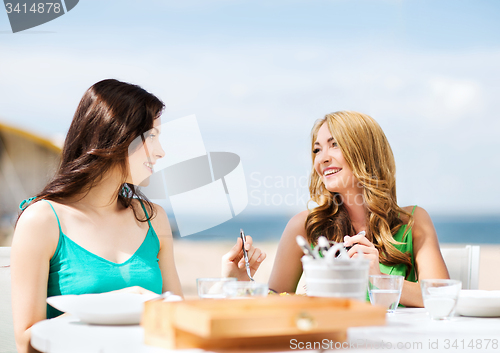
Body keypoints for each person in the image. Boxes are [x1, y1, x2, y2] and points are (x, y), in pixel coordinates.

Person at [10, 79, 265, 353]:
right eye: (151, 137)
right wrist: (110, 307)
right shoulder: (42, 220)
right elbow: (26, 341)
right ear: (118, 135)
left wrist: (228, 285)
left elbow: (177, 321)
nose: (160, 151)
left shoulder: (153, 218)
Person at [268, 111, 449, 307]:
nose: (322, 159)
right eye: (317, 150)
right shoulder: (304, 226)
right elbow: (275, 300)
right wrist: (243, 280)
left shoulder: (413, 221)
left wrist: (378, 279)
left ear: (365, 152)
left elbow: (441, 296)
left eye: (334, 144)